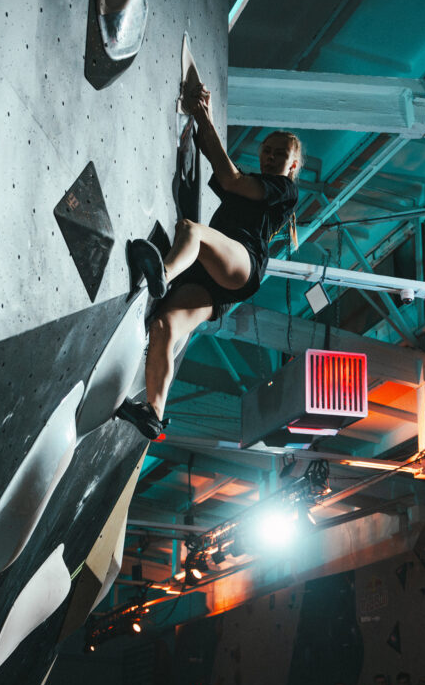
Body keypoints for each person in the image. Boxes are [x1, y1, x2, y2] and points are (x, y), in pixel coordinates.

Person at [115, 83, 302, 439]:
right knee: (164, 327)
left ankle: (163, 273)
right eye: (267, 150)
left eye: (280, 154)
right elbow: (216, 160)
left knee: (192, 231)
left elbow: (230, 179)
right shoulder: (251, 183)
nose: (270, 157)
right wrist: (205, 114)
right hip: (215, 281)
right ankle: (154, 412)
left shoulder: (284, 190)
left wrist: (204, 116)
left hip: (243, 263)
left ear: (292, 165)